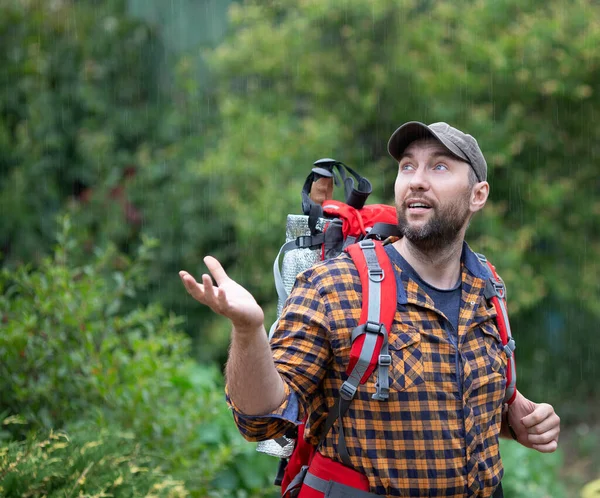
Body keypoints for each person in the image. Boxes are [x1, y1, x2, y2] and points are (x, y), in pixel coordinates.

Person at [179, 121, 561, 497]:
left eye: (439, 166)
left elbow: (447, 395)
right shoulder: (335, 286)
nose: (416, 180)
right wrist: (248, 333)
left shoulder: (488, 287)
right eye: (407, 166)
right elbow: (260, 420)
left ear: (478, 195)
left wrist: (514, 417)